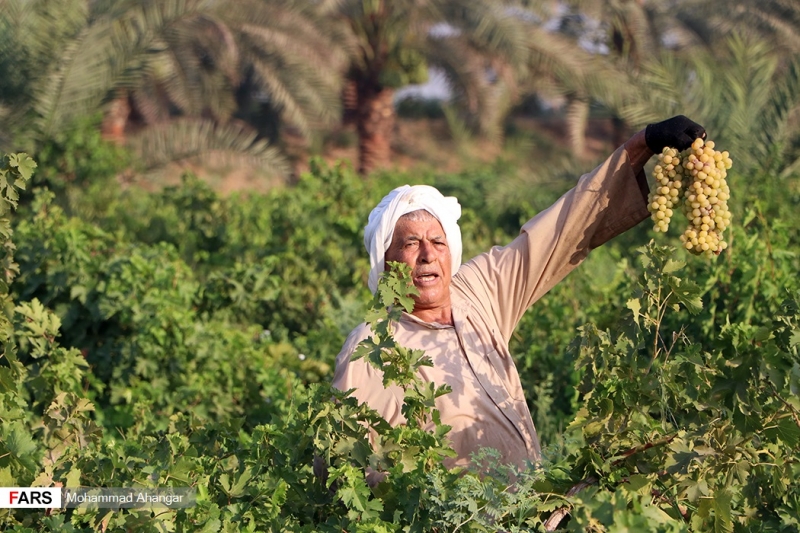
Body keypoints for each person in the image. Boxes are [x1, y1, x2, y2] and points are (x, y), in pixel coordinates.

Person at [332, 116, 706, 471]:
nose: (428, 255)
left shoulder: (477, 291)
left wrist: (643, 144)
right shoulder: (373, 349)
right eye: (411, 243)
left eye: (437, 241)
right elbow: (349, 471)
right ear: (386, 260)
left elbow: (560, 230)